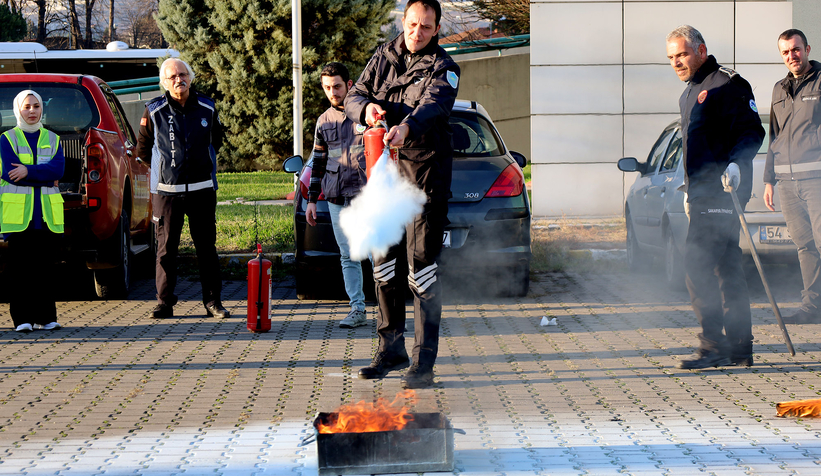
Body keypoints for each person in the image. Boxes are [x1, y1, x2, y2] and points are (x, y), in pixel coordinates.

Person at [344, 0, 460, 388]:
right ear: (403, 22)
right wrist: (368, 110)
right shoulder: (384, 55)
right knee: (383, 267)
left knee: (421, 272)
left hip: (423, 177)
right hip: (383, 178)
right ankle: (389, 349)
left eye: (426, 27)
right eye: (412, 24)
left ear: (437, 29)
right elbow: (353, 95)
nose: (417, 33)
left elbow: (432, 107)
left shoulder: (446, 68)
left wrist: (405, 127)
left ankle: (423, 361)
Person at [665, 25, 765, 369]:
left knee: (696, 264)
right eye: (672, 58)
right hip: (701, 191)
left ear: (701, 50)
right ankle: (739, 346)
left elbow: (752, 130)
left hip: (724, 189)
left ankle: (713, 346)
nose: (677, 62)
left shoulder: (727, 83)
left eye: (682, 54)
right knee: (727, 267)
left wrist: (737, 163)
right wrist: (688, 188)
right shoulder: (690, 91)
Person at [135, 58, 229, 320]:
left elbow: (217, 141)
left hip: (202, 190)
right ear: (164, 82)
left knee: (206, 249)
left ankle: (213, 302)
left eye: (183, 74)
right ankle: (164, 303)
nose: (179, 80)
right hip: (167, 192)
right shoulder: (153, 111)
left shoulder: (207, 107)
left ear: (191, 76)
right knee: (166, 250)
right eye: (173, 76)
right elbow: (143, 150)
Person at [763, 29, 821, 324]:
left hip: (817, 178)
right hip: (786, 182)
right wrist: (769, 180)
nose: (791, 56)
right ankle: (812, 308)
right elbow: (774, 135)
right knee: (804, 245)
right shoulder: (778, 89)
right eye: (785, 52)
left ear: (807, 49)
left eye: (796, 50)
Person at [307, 62, 369, 328]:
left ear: (350, 85)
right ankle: (358, 309)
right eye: (327, 87)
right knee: (348, 255)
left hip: (368, 198)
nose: (332, 92)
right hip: (336, 199)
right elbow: (317, 162)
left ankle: (389, 311)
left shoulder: (368, 116)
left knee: (379, 253)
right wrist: (311, 201)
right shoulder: (323, 121)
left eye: (337, 86)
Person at [0, 90, 65, 332]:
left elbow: (58, 171)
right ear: (18, 109)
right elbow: (10, 174)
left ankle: (46, 318)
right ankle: (22, 320)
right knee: (19, 270)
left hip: (46, 217)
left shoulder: (54, 139)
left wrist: (28, 172)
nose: (31, 111)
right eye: (26, 106)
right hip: (18, 217)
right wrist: (42, 176)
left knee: (44, 269)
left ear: (42, 110)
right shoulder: (6, 139)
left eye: (36, 106)